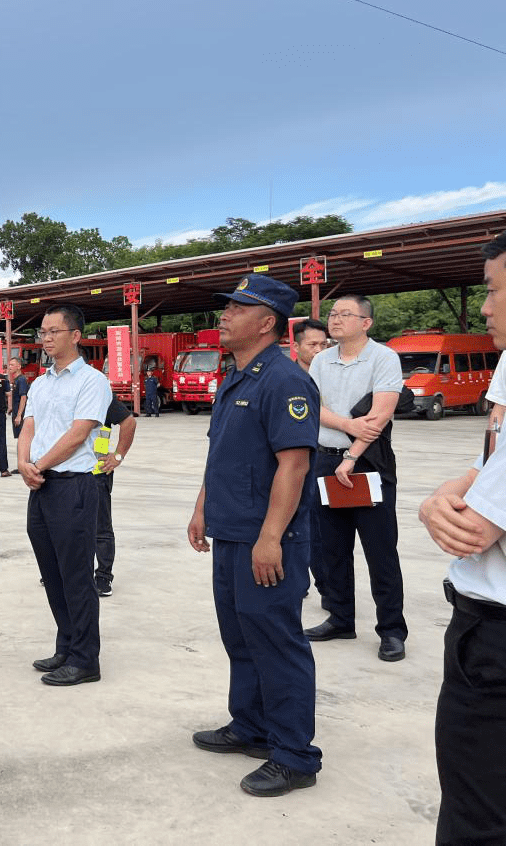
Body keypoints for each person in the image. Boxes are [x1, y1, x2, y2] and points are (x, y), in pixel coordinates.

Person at [186, 273, 322, 798]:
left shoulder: (284, 381)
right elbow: (220, 453)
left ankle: (294, 756)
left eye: (238, 308)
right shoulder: (235, 377)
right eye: (227, 306)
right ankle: (251, 726)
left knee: (277, 643)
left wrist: (270, 538)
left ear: (267, 323)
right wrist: (202, 509)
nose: (224, 315)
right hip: (231, 533)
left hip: (270, 540)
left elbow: (293, 466)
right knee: (240, 638)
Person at [419, 232, 506, 844]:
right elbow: (494, 451)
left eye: (494, 290)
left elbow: (472, 529)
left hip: (495, 632)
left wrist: (440, 503)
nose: (483, 308)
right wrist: (471, 478)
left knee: (477, 813)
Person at [304, 294, 408, 662]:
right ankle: (340, 618)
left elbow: (379, 417)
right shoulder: (320, 359)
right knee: (330, 548)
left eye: (345, 314)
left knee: (380, 550)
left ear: (366, 323)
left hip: (369, 464)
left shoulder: (384, 358)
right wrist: (347, 426)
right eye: (332, 314)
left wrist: (350, 457)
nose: (335, 319)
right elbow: (310, 407)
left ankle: (392, 630)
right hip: (324, 462)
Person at [18, 303, 111, 687]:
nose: (46, 338)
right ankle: (67, 645)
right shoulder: (40, 383)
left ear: (75, 335)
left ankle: (86, 658)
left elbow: (78, 435)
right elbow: (29, 426)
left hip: (74, 485)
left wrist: (39, 465)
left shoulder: (92, 381)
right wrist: (23, 462)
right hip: (41, 487)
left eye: (54, 331)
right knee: (52, 574)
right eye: (42, 332)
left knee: (76, 576)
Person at [93, 398, 136, 597]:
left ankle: (103, 576)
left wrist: (118, 456)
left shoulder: (99, 392)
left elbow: (129, 422)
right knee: (64, 527)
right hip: (63, 472)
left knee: (101, 527)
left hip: (96, 471)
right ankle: (64, 572)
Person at [7, 357, 29, 439]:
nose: (9, 367)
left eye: (12, 365)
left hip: (21, 414)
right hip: (15, 411)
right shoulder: (15, 379)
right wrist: (11, 407)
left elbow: (23, 397)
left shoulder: (21, 380)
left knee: (22, 438)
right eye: (9, 365)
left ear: (19, 366)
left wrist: (19, 415)